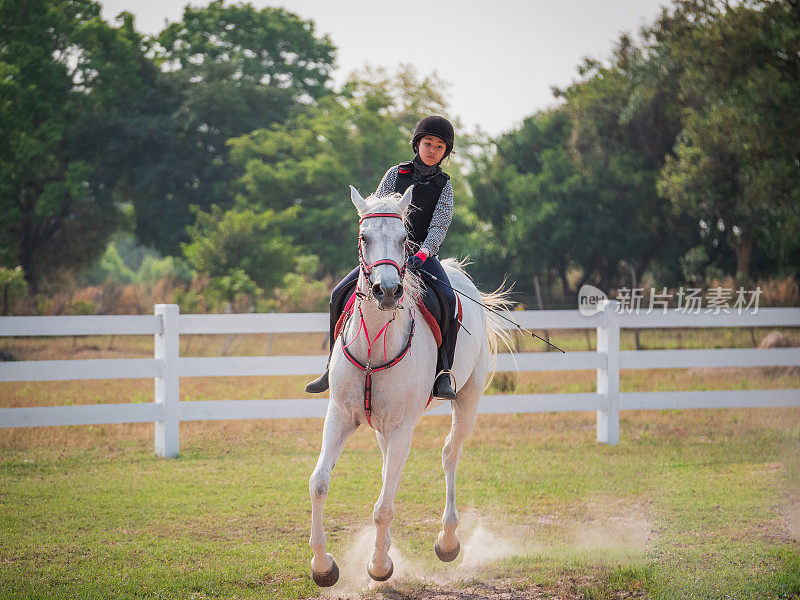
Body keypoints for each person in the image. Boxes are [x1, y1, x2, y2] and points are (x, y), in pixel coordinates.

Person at [305, 115, 459, 399]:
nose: (432, 150)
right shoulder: (395, 174)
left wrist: (424, 252)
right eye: (428, 143)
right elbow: (373, 211)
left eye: (440, 147)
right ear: (417, 144)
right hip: (384, 256)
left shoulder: (444, 187)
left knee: (449, 301)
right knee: (338, 293)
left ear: (445, 153)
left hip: (420, 257)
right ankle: (330, 366)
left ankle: (443, 374)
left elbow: (439, 224)